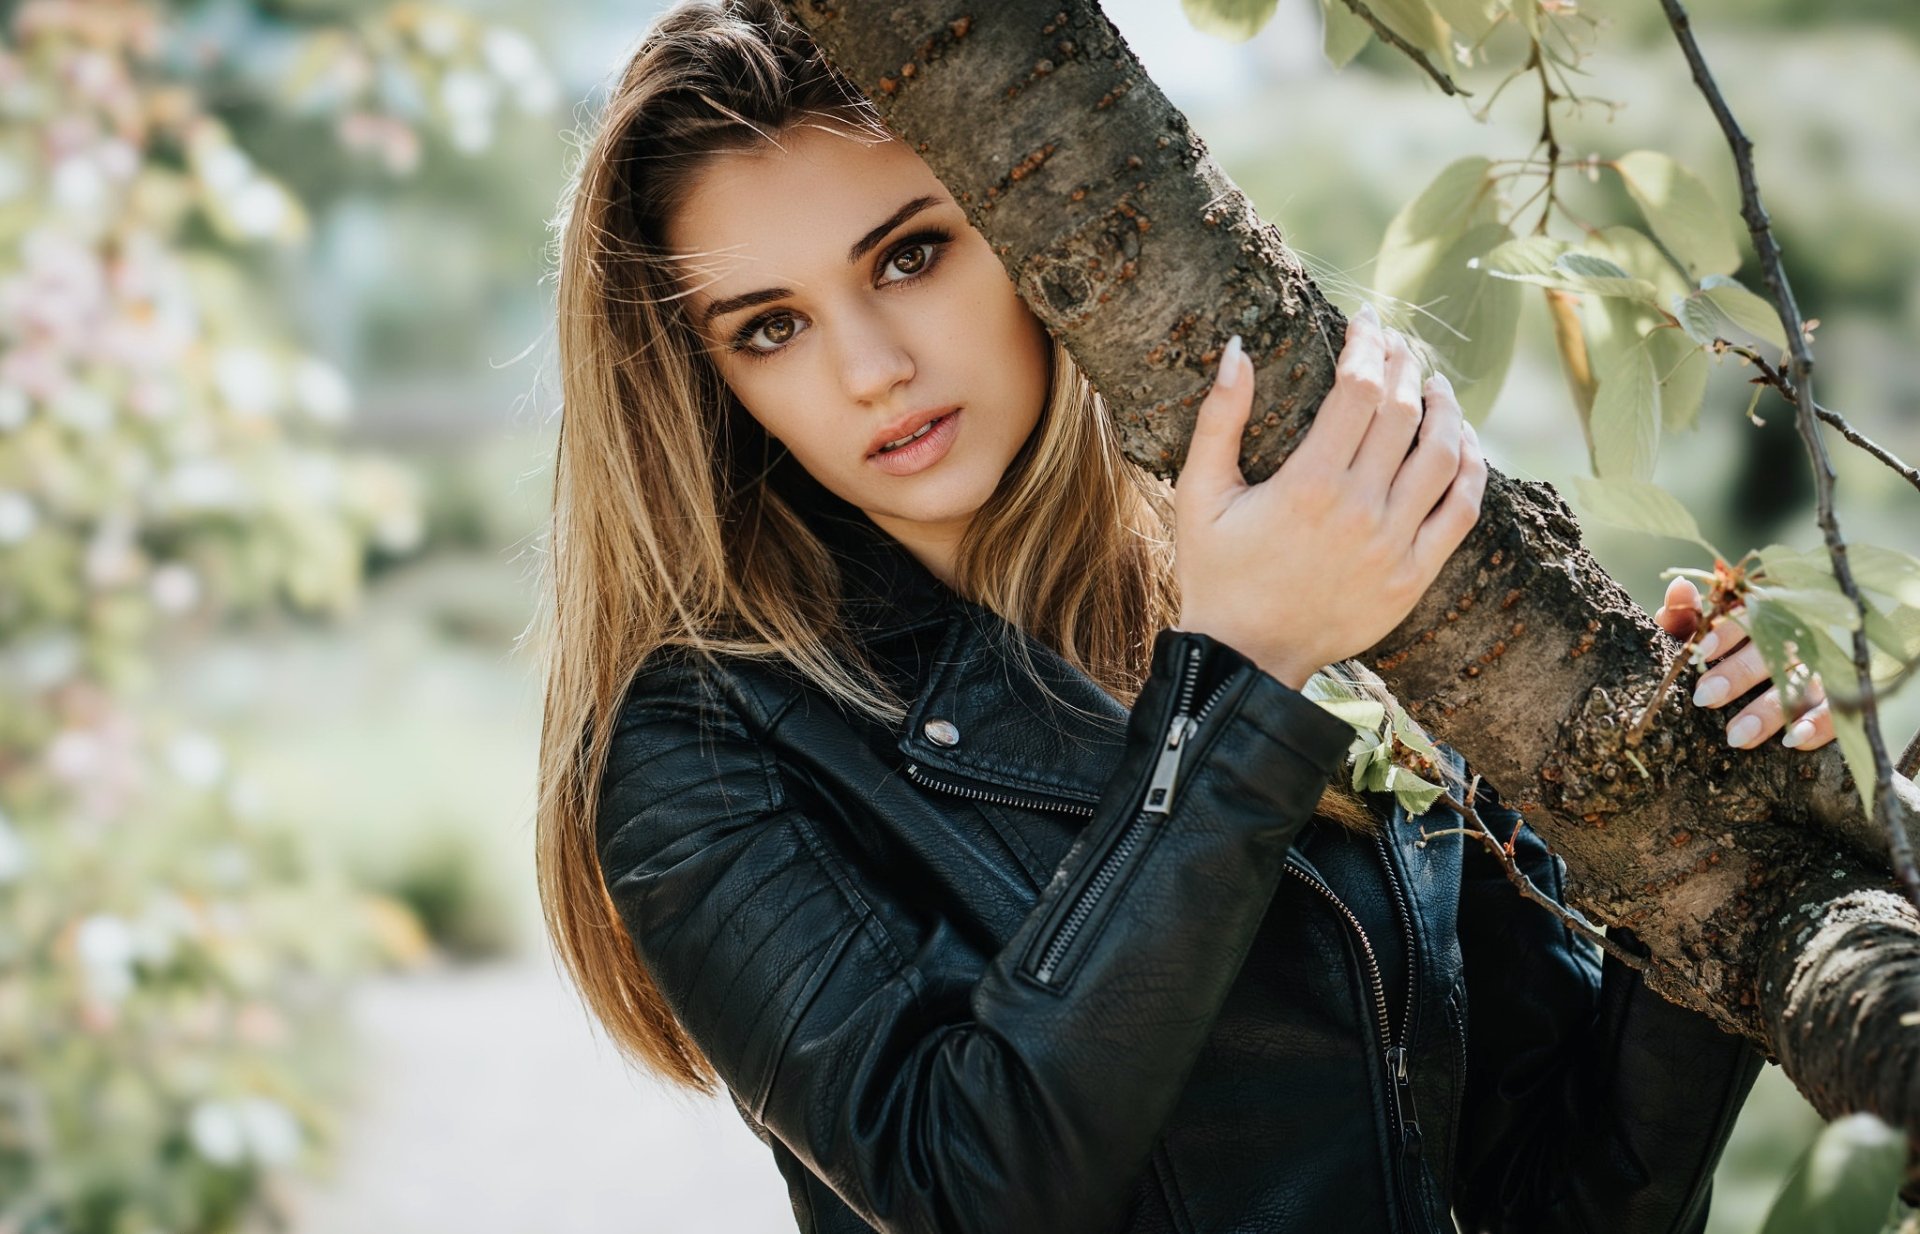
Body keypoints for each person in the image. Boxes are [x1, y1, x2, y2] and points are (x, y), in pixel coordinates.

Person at [533, 2, 1832, 1230]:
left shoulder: (1302, 571)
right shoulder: (706, 739)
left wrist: (1703, 845)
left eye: (911, 255)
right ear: (703, 378)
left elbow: (1565, 1197)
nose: (873, 369)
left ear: (1028, 223)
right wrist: (1243, 679)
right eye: (769, 326)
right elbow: (969, 1188)